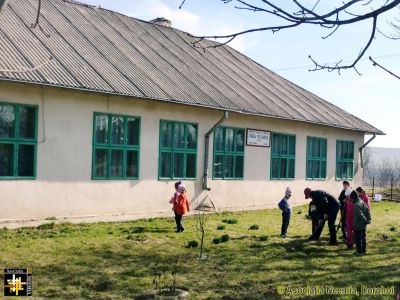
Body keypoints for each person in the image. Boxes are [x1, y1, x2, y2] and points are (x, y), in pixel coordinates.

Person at [351, 190, 371, 255]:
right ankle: (364, 251)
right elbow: (368, 210)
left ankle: (359, 252)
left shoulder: (356, 205)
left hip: (358, 224)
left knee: (358, 238)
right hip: (364, 224)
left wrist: (366, 220)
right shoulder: (362, 201)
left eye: (351, 198)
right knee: (363, 237)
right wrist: (368, 219)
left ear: (353, 198)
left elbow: (360, 215)